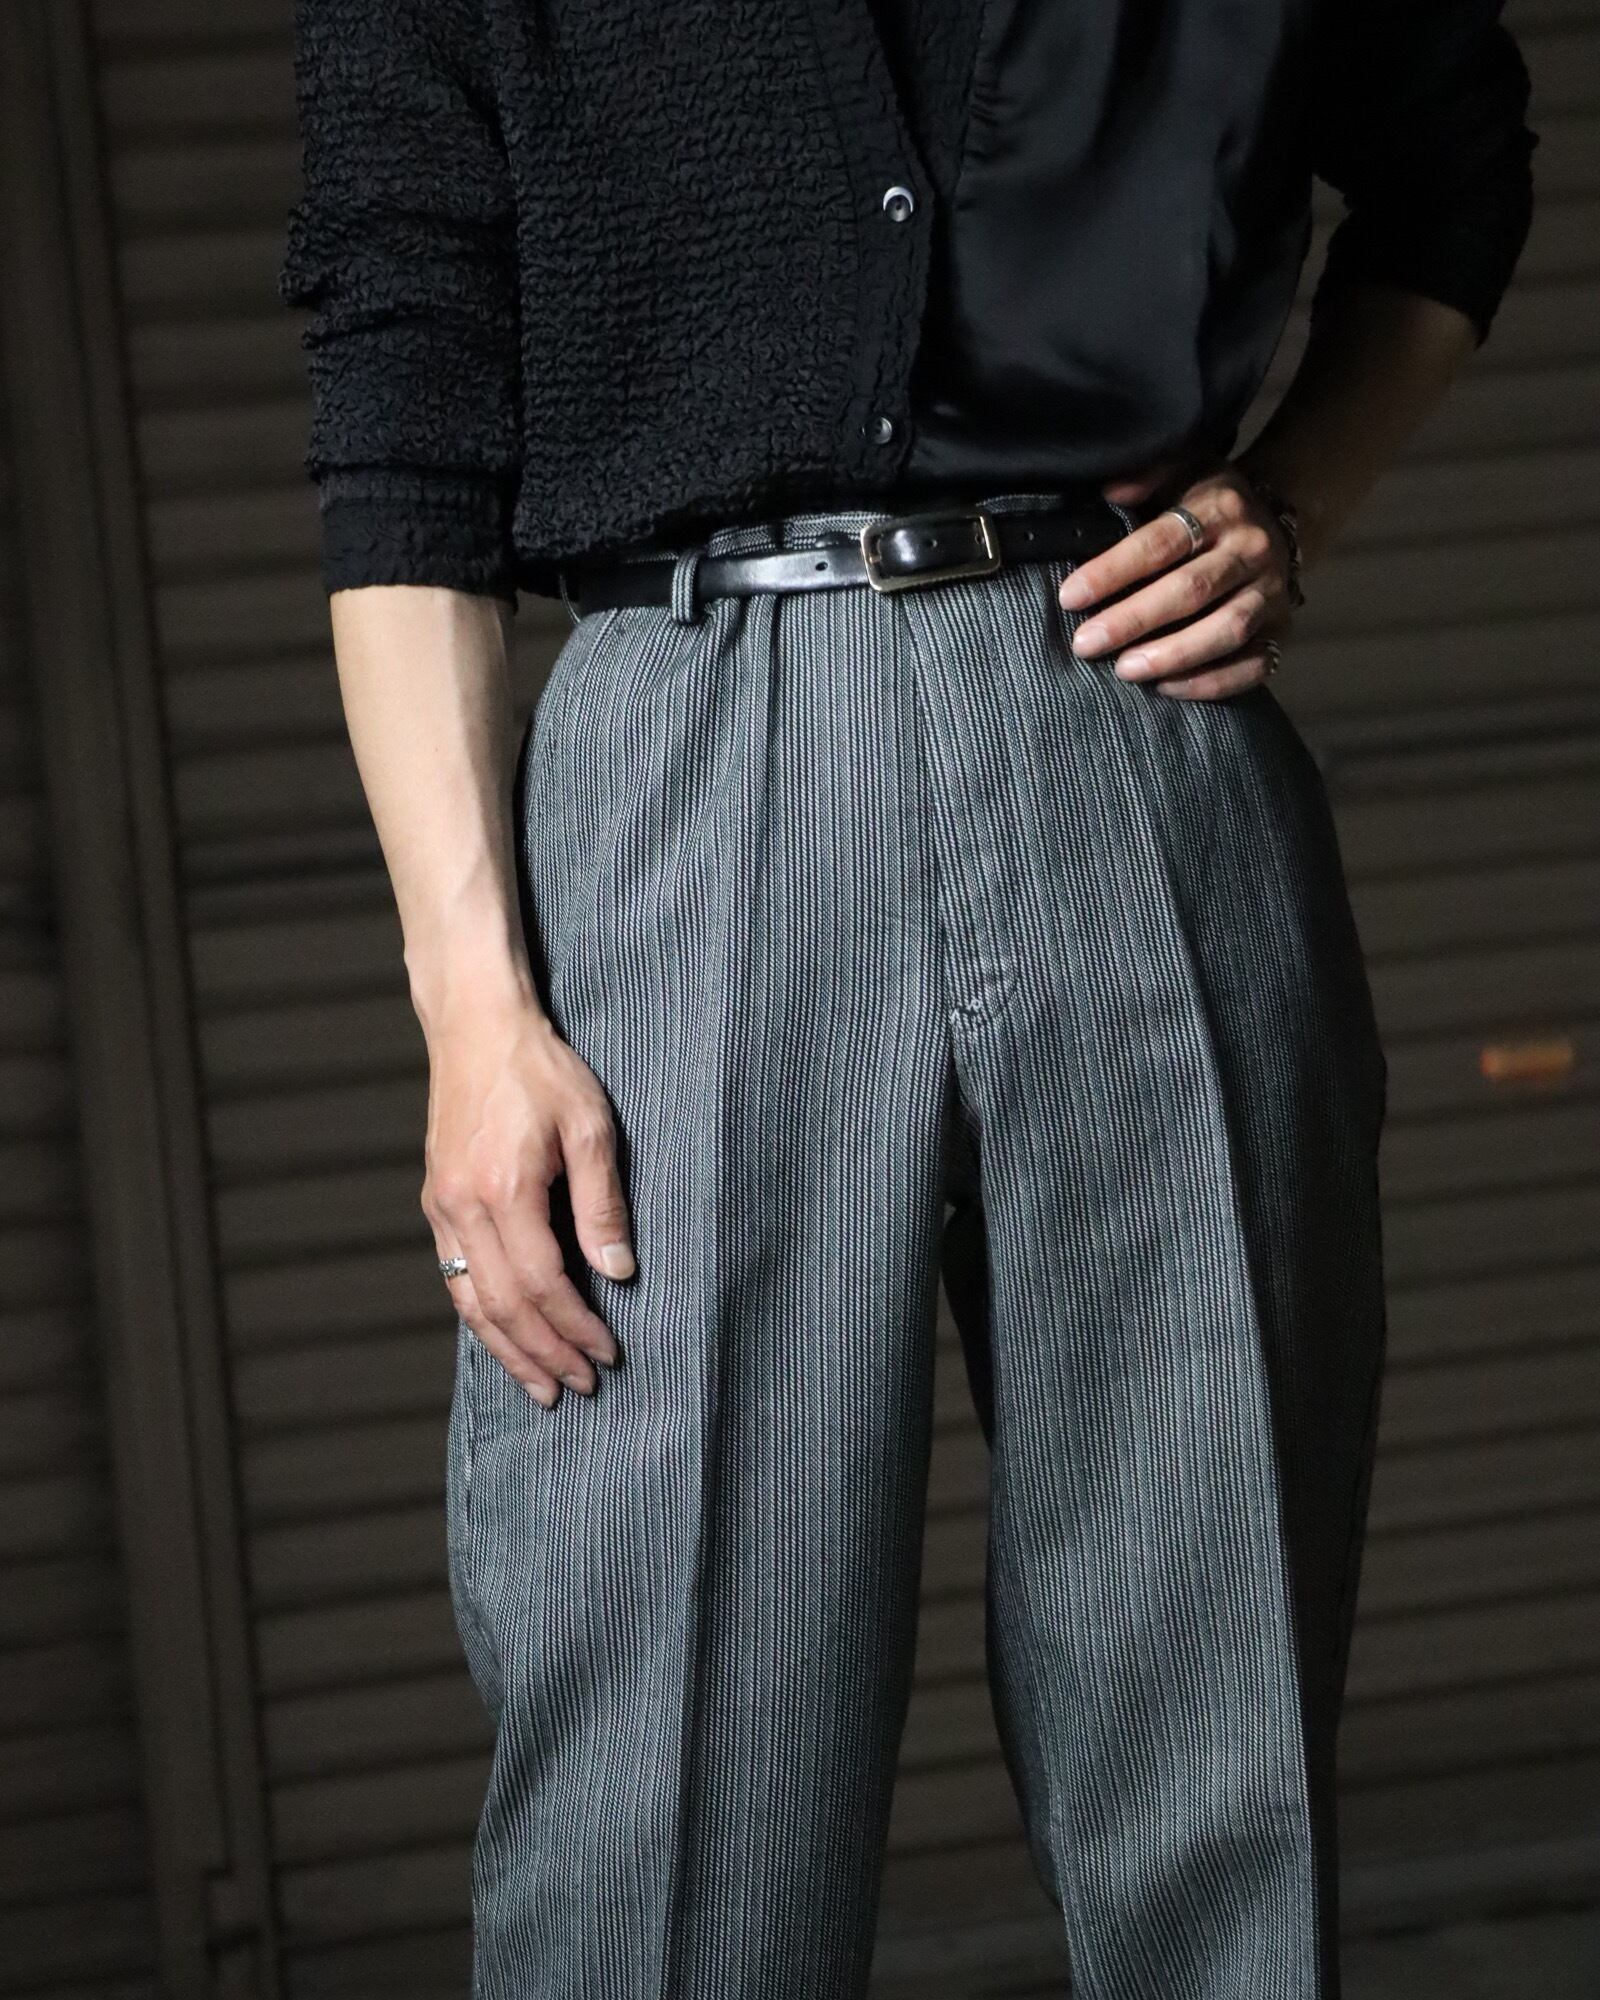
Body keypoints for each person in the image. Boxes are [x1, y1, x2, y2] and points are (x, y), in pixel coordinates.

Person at [278, 3, 1537, 1995]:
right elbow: (402, 395)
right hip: (688, 756)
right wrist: (470, 1013)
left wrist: (1289, 498)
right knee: (656, 1775)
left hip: (1132, 714)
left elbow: (1452, 160)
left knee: (1211, 1701)